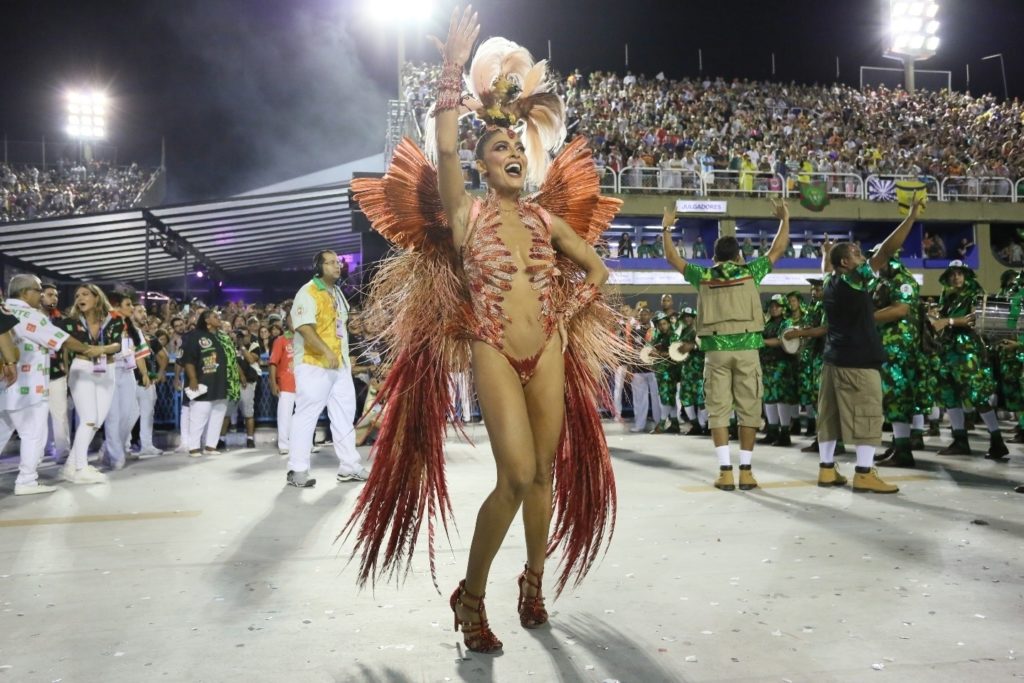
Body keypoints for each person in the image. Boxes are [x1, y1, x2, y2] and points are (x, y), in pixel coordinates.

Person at [347, 9, 623, 654]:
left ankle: (533, 580)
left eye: (516, 150)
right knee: (516, 475)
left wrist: (568, 308)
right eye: (498, 150)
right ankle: (470, 595)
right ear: (481, 166)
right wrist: (449, 73)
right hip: (492, 344)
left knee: (546, 475)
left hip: (548, 346)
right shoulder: (466, 215)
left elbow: (600, 268)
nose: (511, 156)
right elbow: (444, 147)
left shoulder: (545, 221)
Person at [662, 198, 790, 491]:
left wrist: (666, 228)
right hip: (747, 350)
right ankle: (746, 471)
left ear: (715, 256)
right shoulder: (750, 272)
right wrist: (785, 219)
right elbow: (778, 249)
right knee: (749, 410)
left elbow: (672, 258)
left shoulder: (703, 275)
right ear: (738, 257)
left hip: (716, 354)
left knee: (718, 412)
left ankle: (725, 472)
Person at [815, 199, 923, 494]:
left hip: (832, 360)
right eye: (856, 254)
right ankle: (864, 473)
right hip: (859, 361)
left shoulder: (829, 283)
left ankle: (826, 470)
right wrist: (911, 217)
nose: (862, 256)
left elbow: (827, 268)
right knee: (868, 415)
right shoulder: (856, 281)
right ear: (847, 265)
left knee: (829, 416)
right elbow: (887, 250)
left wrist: (826, 254)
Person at [1, 275, 105, 493]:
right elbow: (62, 339)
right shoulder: (30, 315)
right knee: (34, 435)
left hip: (4, 387)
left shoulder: (4, 309)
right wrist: (90, 349)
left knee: (2, 433)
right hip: (28, 388)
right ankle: (26, 481)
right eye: (38, 291)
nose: (41, 295)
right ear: (25, 292)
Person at [286, 250, 366, 488]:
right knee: (306, 415)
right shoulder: (308, 291)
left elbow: (340, 327)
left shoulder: (338, 292)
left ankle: (349, 466)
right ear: (319, 267)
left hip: (339, 366)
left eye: (338, 262)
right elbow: (303, 327)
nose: (337, 266)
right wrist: (326, 351)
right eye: (330, 263)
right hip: (314, 364)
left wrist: (343, 355)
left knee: (344, 415)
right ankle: (297, 470)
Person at [930, 260, 1008, 460]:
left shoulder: (975, 295)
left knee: (977, 394)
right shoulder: (947, 296)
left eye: (960, 273)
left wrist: (947, 321)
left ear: (966, 276)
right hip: (948, 352)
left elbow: (974, 320)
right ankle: (959, 439)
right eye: (952, 274)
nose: (956, 277)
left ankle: (997, 441)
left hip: (967, 352)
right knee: (949, 394)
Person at [64, 284, 132, 482]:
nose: (79, 298)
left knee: (96, 422)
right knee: (89, 419)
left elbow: (118, 345)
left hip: (107, 370)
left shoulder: (115, 319)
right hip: (82, 368)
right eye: (77, 295)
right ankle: (80, 468)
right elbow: (65, 343)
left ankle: (71, 465)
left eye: (85, 294)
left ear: (96, 297)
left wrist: (101, 349)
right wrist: (87, 350)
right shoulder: (71, 322)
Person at [180, 308, 230, 456]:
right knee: (199, 415)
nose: (219, 318)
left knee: (218, 415)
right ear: (207, 320)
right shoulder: (195, 336)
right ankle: (194, 447)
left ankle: (210, 447)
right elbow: (188, 360)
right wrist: (193, 378)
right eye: (215, 316)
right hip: (202, 382)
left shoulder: (218, 336)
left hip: (219, 383)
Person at [759, 294, 798, 447]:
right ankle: (772, 431)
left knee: (781, 399)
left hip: (781, 366)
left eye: (777, 306)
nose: (774, 308)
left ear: (783, 308)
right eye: (772, 306)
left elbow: (782, 340)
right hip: (767, 365)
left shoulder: (786, 322)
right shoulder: (768, 324)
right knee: (769, 399)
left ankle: (785, 434)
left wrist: (762, 342)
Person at [269, 314, 296, 456]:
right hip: (286, 383)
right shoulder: (281, 340)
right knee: (284, 416)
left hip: (303, 385)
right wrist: (273, 383)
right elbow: (273, 363)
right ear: (287, 322)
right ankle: (284, 444)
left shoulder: (306, 340)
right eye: (292, 319)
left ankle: (304, 444)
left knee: (303, 416)